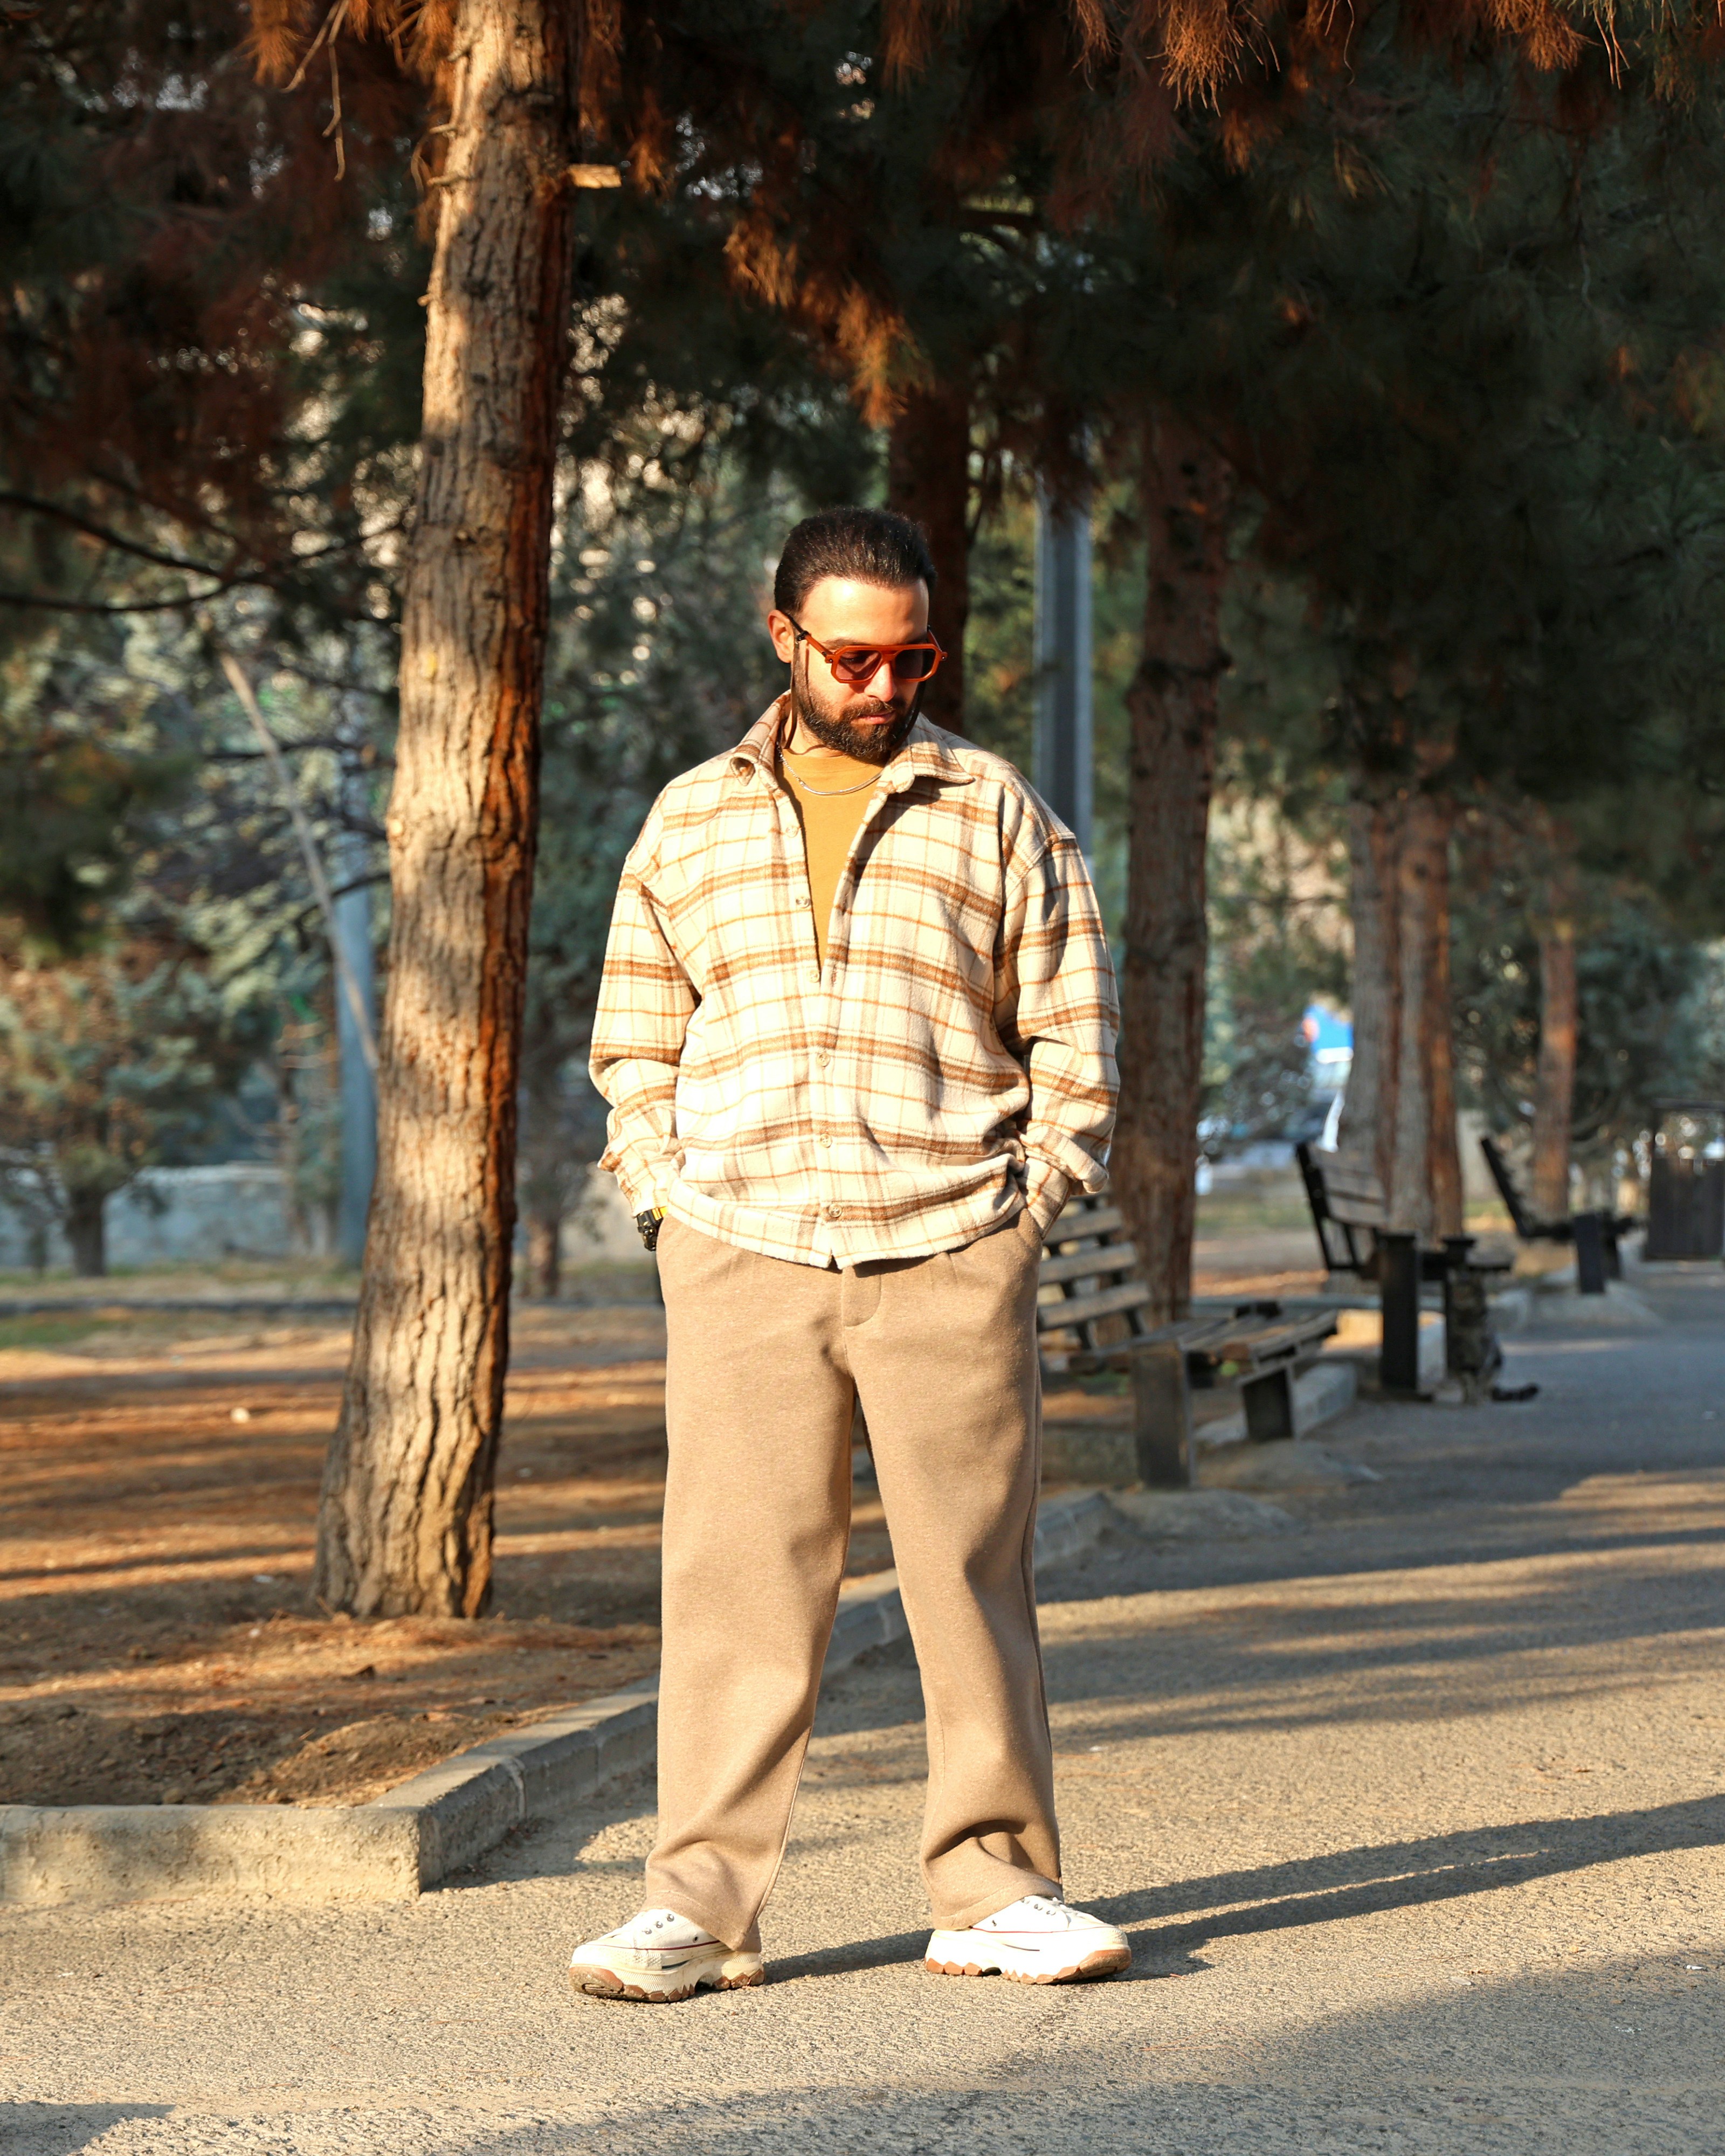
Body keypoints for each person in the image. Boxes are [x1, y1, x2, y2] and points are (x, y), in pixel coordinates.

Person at [569, 506, 1124, 2002]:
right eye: (854, 658)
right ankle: (699, 1912)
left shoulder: (997, 812)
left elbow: (1076, 1035)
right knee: (736, 1587)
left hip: (951, 1246)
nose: (884, 687)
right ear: (786, 640)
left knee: (971, 1584)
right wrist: (667, 1203)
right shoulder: (689, 820)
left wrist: (1025, 1213)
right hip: (744, 1250)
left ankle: (997, 1891)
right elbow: (635, 1043)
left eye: (913, 659)